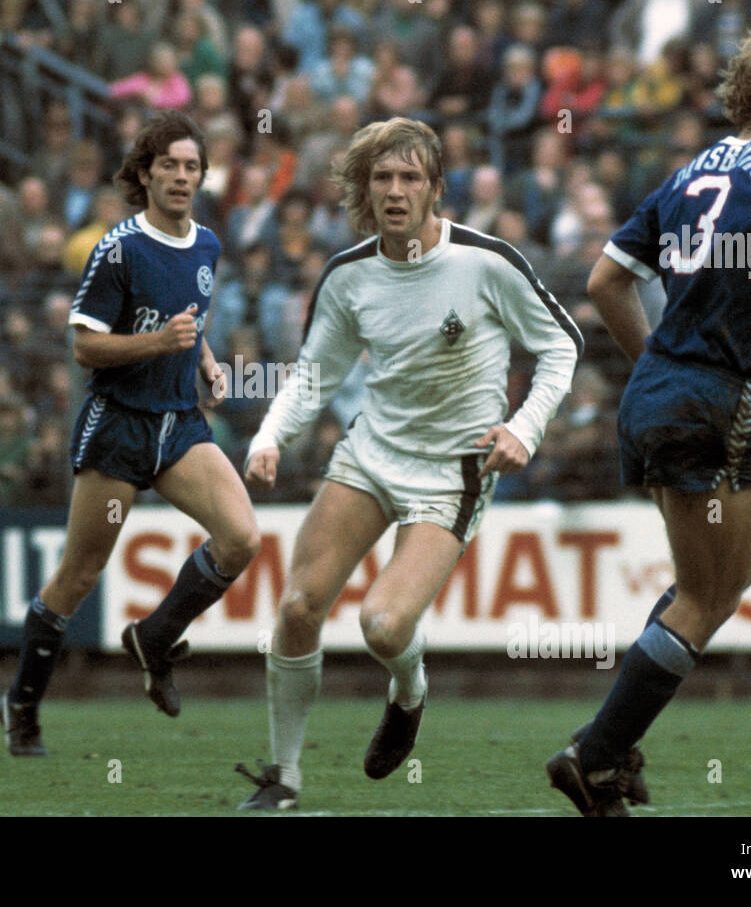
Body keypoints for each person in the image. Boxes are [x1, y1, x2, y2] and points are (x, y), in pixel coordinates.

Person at [235, 117, 582, 809]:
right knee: (300, 604)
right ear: (367, 190)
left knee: (384, 626)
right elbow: (313, 376)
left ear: (435, 190)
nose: (396, 191)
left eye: (410, 177)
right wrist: (269, 436)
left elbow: (563, 346)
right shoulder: (349, 276)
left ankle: (409, 689)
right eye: (383, 178)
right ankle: (283, 778)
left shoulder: (486, 261)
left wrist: (524, 427)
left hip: (453, 472)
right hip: (371, 454)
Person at [546, 21, 751, 816]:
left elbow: (606, 282)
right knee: (719, 592)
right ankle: (594, 752)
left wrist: (654, 363)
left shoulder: (687, 172)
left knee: (698, 585)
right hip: (718, 395)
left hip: (651, 394)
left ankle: (611, 752)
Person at [0, 110, 260, 756]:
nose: (180, 176)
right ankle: (22, 703)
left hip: (177, 425)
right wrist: (156, 341)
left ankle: (154, 636)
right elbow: (85, 347)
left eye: (191, 165)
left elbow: (191, 320)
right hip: (117, 427)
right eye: (168, 164)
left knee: (241, 537)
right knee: (80, 574)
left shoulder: (207, 244)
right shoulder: (119, 247)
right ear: (144, 174)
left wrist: (202, 359)